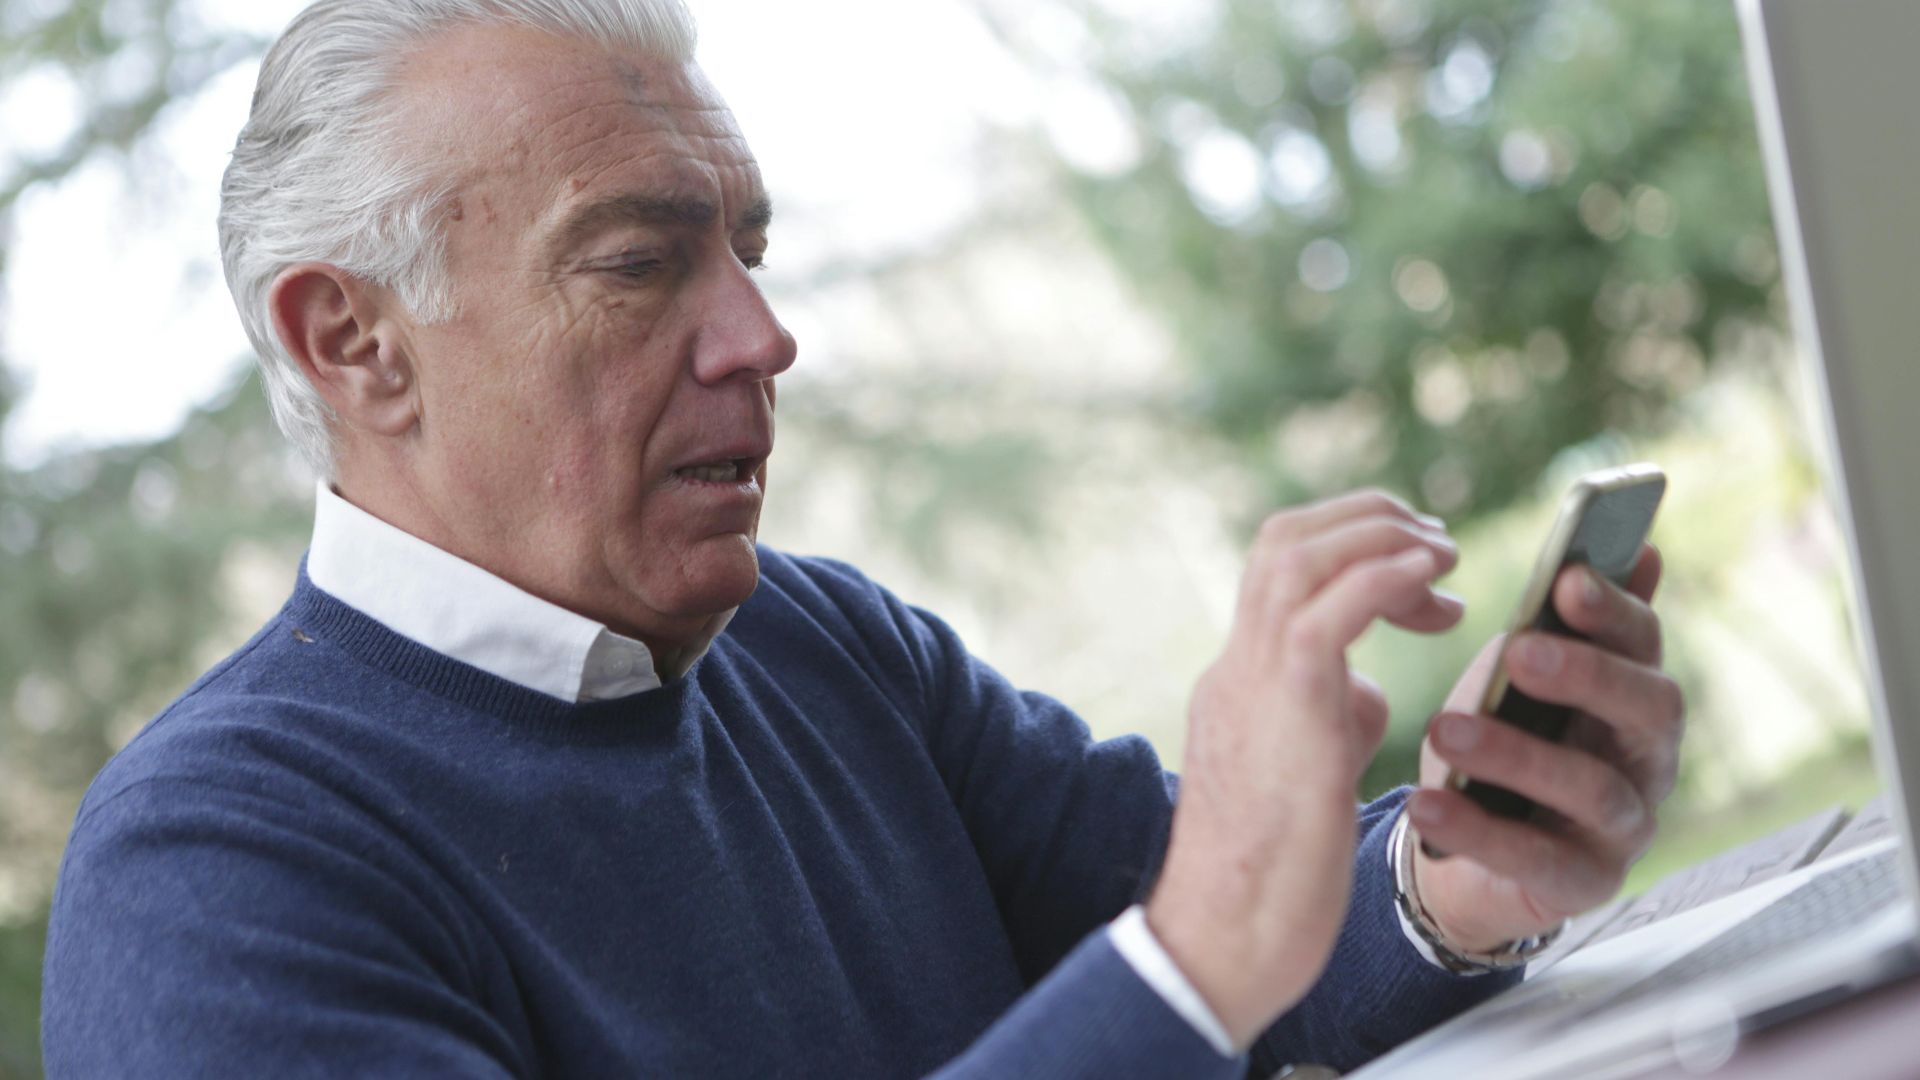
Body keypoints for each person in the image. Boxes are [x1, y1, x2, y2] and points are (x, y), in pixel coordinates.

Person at [39, 1, 1684, 1077]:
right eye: (637, 264)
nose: (761, 337)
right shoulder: (212, 875)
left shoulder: (821, 641)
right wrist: (1196, 957)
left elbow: (1238, 949)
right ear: (352, 343)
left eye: (747, 252)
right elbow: (1192, 964)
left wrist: (1448, 879)